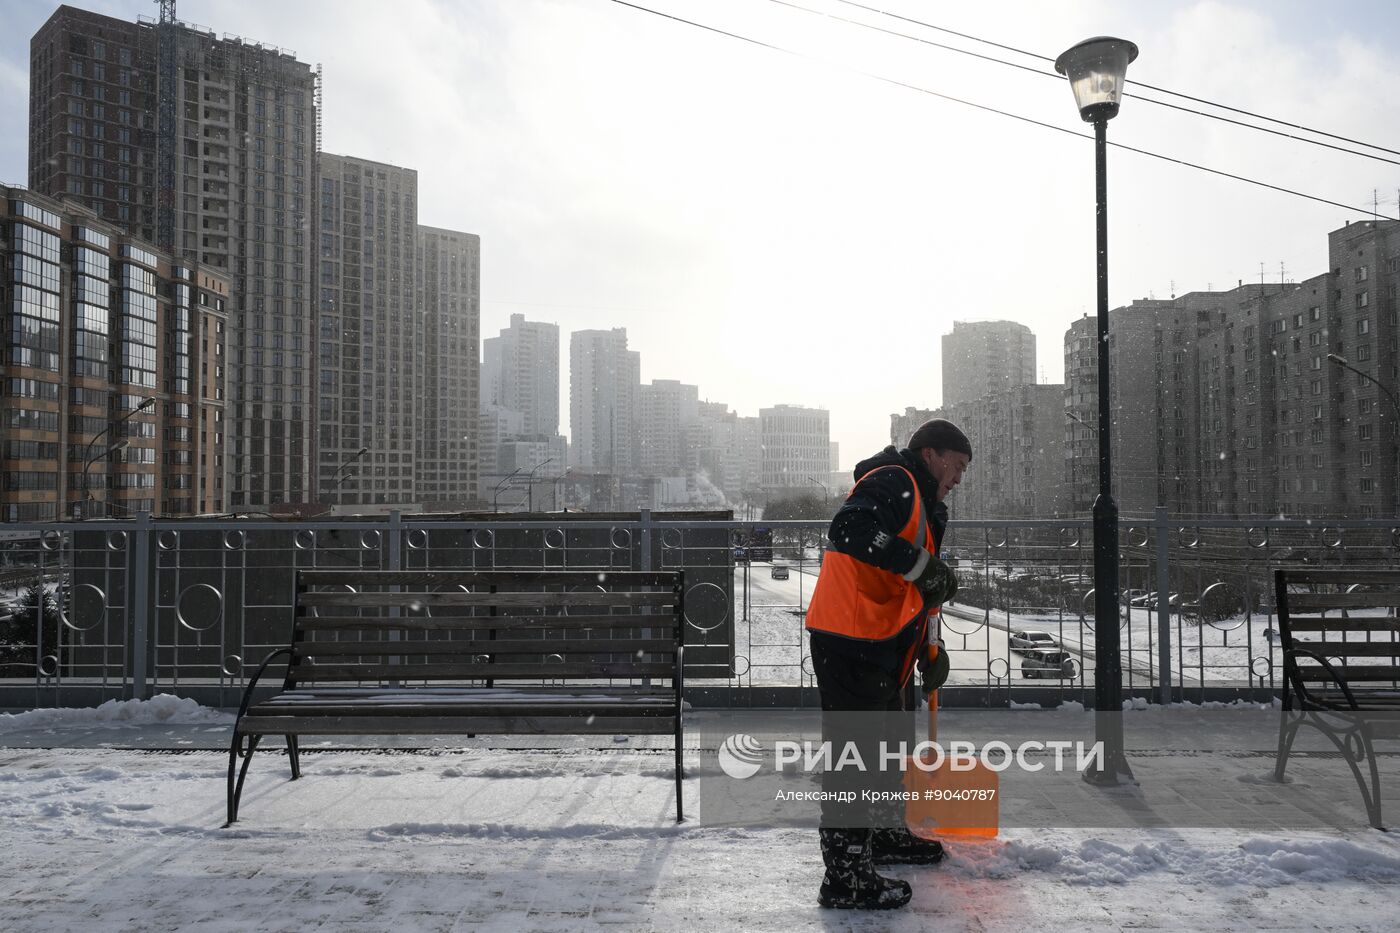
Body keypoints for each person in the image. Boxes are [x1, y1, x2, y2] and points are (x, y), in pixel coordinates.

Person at [803, 418, 971, 910]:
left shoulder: (925, 503)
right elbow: (848, 529)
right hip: (850, 637)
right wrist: (922, 566)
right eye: (957, 465)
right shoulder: (893, 480)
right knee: (854, 756)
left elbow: (916, 588)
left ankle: (883, 831)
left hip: (882, 641)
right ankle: (846, 875)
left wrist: (928, 649)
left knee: (889, 745)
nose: (959, 478)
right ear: (930, 454)